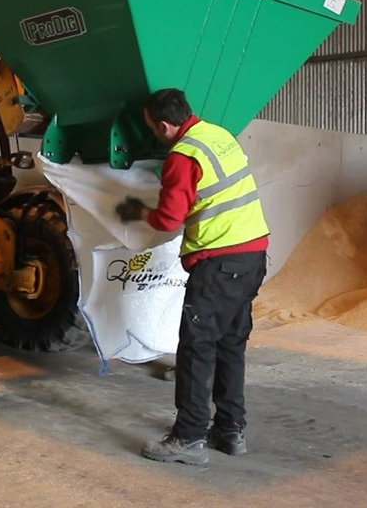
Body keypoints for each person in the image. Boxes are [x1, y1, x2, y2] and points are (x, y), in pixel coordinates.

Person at [116, 88, 269, 466]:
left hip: (218, 264)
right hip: (253, 256)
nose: (154, 135)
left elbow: (169, 220)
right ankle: (231, 431)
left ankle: (188, 437)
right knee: (230, 345)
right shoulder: (218, 135)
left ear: (166, 126)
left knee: (196, 350)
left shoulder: (182, 157)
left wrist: (137, 212)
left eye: (153, 129)